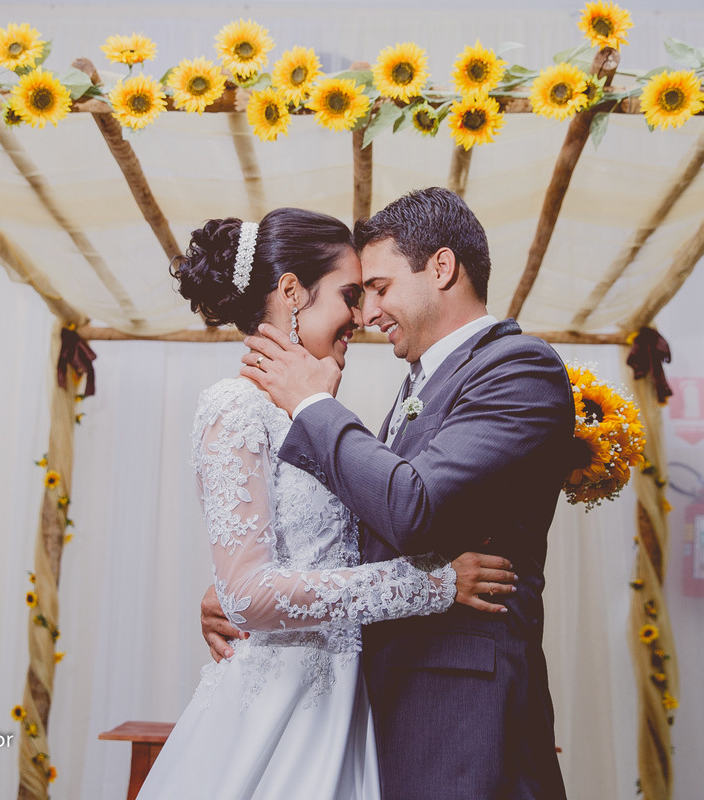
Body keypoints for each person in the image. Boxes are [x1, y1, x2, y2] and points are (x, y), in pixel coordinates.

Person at [137, 207, 515, 800]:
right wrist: (435, 585)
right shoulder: (232, 406)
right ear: (292, 293)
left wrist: (242, 590)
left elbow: (340, 544)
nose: (362, 317)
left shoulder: (327, 419)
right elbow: (249, 593)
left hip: (352, 704)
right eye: (350, 294)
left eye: (372, 293)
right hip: (281, 708)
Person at [217, 187, 575, 799]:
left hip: (459, 712)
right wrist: (254, 583)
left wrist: (311, 404)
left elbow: (414, 508)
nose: (366, 314)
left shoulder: (520, 368)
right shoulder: (420, 384)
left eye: (379, 288)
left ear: (441, 267)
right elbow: (368, 525)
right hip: (385, 704)